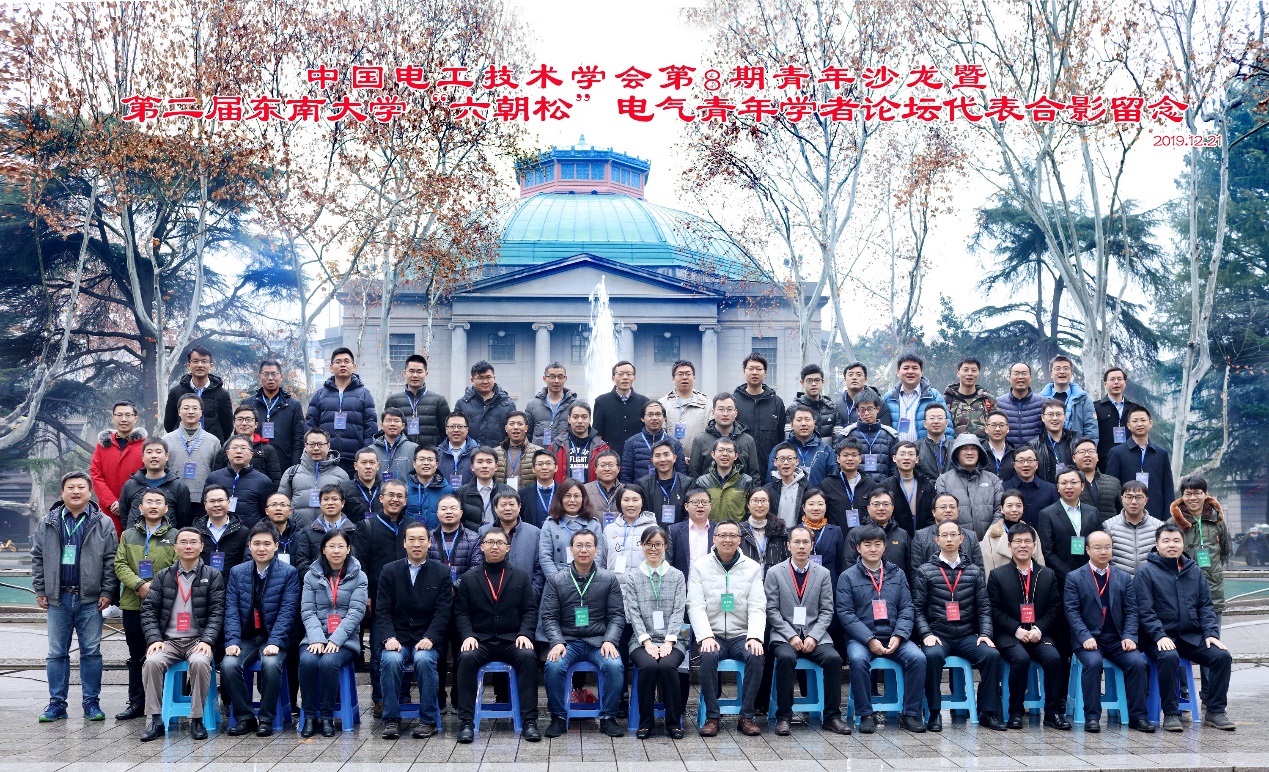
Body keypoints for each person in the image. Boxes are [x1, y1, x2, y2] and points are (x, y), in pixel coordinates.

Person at [33, 472, 119, 723]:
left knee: (91, 652)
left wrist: (107, 591)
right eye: (70, 487)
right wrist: (41, 589)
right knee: (56, 653)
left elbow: (111, 559)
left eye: (81, 487)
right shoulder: (48, 521)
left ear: (89, 492)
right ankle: (56, 704)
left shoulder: (102, 522)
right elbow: (37, 556)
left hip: (89, 600)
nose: (76, 491)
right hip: (58, 598)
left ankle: (91, 703)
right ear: (62, 493)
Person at [1135, 523, 1235, 731]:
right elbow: (1145, 610)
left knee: (1222, 657)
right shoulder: (1146, 573)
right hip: (1157, 638)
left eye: (1176, 541)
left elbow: (1206, 606)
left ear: (1183, 544)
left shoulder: (1194, 571)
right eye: (1166, 541)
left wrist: (1210, 633)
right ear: (1157, 545)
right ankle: (1171, 714)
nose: (1171, 545)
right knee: (1169, 656)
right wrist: (1159, 635)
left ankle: (1215, 711)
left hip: (1190, 636)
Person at [911, 519, 1007, 731]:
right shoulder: (925, 571)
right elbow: (917, 609)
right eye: (944, 535)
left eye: (953, 535)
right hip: (938, 635)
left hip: (966, 635)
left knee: (991, 655)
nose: (949, 539)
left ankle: (988, 712)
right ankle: (934, 712)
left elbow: (984, 607)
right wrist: (926, 634)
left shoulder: (973, 571)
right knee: (931, 656)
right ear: (937, 540)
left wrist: (985, 634)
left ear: (961, 538)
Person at [453, 528, 543, 743]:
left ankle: (529, 720)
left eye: (500, 543)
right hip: (480, 639)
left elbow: (530, 610)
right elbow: (461, 612)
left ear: (508, 548)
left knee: (528, 656)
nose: (495, 546)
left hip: (511, 639)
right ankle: (466, 721)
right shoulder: (469, 578)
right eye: (490, 542)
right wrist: (468, 635)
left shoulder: (520, 576)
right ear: (482, 546)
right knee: (466, 657)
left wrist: (525, 633)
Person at [837, 523, 927, 734]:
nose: (873, 549)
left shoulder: (897, 574)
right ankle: (865, 714)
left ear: (884, 547)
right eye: (867, 544)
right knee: (858, 660)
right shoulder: (847, 577)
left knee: (918, 658)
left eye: (877, 544)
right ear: (858, 548)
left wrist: (900, 635)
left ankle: (911, 713)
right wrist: (869, 639)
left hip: (895, 636)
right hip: (861, 639)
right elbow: (846, 614)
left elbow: (907, 608)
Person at [1063, 530, 1156, 733]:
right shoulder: (1074, 577)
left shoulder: (1123, 577)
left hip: (1116, 638)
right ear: (1087, 549)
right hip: (1088, 639)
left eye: (1107, 547)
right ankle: (1092, 717)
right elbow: (1072, 612)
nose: (1103, 552)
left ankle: (1138, 717)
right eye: (1098, 547)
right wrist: (1085, 636)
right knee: (1093, 663)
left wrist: (1129, 636)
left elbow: (1131, 611)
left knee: (1137, 663)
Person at [137, 527, 225, 741]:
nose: (188, 546)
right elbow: (148, 610)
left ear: (201, 547)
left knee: (200, 662)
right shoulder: (163, 576)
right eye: (183, 542)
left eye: (193, 542)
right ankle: (155, 719)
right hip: (169, 641)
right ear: (175, 547)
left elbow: (218, 611)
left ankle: (197, 719)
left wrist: (207, 640)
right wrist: (154, 638)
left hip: (198, 641)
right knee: (151, 662)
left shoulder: (212, 575)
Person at [764, 525, 852, 736]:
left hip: (815, 635)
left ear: (812, 546)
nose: (801, 546)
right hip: (784, 635)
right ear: (788, 546)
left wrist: (814, 636)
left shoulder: (823, 573)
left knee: (834, 659)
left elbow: (827, 610)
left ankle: (832, 716)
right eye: (797, 542)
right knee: (786, 658)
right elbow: (771, 610)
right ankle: (784, 717)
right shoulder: (775, 572)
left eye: (805, 542)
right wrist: (791, 635)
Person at [540, 529, 627, 738]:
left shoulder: (608, 578)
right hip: (568, 641)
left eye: (589, 545)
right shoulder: (557, 579)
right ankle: (558, 717)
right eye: (579, 545)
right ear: (571, 550)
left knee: (614, 665)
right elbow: (549, 616)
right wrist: (557, 641)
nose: (584, 550)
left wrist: (610, 640)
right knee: (553, 666)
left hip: (598, 641)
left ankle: (608, 717)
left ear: (596, 550)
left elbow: (617, 615)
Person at [221, 521, 301, 737]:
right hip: (246, 638)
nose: (261, 548)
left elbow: (288, 612)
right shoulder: (237, 572)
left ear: (276, 546)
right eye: (256, 543)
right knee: (229, 664)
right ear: (249, 546)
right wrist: (232, 642)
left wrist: (275, 642)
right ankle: (245, 717)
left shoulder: (289, 573)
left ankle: (266, 718)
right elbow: (231, 610)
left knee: (271, 663)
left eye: (267, 543)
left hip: (274, 638)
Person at [986, 522, 1069, 730]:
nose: (1023, 546)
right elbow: (994, 610)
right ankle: (1015, 712)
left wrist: (1038, 629)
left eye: (1027, 541)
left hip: (1039, 634)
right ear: (1009, 545)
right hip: (1009, 635)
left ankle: (1052, 713)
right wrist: (1016, 629)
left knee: (1054, 658)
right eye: (1017, 542)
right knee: (1020, 659)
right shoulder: (998, 575)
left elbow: (1054, 608)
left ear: (1034, 545)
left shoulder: (1047, 574)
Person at [688, 520, 767, 736]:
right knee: (707, 655)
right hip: (713, 635)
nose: (727, 540)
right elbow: (695, 605)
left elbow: (757, 606)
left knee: (756, 655)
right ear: (714, 538)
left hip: (742, 635)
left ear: (739, 540)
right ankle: (712, 716)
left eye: (733, 535)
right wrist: (705, 636)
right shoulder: (700, 566)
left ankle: (747, 716)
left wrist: (754, 637)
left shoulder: (752, 567)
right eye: (722, 535)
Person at [376, 521, 452, 740]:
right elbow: (383, 610)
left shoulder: (441, 572)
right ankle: (391, 719)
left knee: (424, 660)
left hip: (426, 638)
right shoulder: (389, 571)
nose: (416, 544)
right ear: (404, 543)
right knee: (390, 660)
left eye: (421, 539)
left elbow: (443, 611)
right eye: (411, 539)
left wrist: (431, 637)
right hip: (397, 637)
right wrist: (388, 637)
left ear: (429, 543)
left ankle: (428, 720)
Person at [113, 490, 179, 721]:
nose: (153, 506)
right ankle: (137, 702)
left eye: (158, 502)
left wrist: (155, 588)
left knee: (164, 653)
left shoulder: (175, 535)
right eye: (148, 502)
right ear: (140, 508)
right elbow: (120, 564)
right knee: (136, 655)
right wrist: (139, 584)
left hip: (165, 605)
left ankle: (164, 701)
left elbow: (179, 565)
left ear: (166, 508)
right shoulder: (128, 535)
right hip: (133, 603)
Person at [297, 528, 367, 737]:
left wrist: (335, 640)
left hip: (345, 640)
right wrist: (317, 638)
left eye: (341, 546)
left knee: (329, 662)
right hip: (314, 637)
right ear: (323, 549)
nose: (336, 551)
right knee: (307, 661)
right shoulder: (311, 575)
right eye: (331, 546)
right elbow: (307, 611)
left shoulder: (359, 576)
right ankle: (310, 716)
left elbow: (356, 612)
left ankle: (327, 716)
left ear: (348, 549)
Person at [623, 526, 688, 738]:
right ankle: (645, 722)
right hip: (641, 640)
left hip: (673, 640)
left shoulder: (677, 576)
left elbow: (679, 610)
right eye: (649, 544)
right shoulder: (633, 577)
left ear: (665, 546)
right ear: (642, 546)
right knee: (649, 666)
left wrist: (669, 642)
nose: (653, 549)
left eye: (658, 544)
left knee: (668, 666)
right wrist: (647, 642)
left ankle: (673, 723)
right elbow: (633, 612)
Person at [356, 478, 414, 716]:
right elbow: (360, 564)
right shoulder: (367, 527)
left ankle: (403, 696)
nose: (395, 500)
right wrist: (366, 596)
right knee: (380, 652)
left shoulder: (412, 527)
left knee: (405, 647)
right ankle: (380, 698)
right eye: (390, 495)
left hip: (409, 601)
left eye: (400, 496)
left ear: (405, 501)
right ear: (381, 498)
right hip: (379, 601)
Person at [305, 347, 377, 476]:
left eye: (346, 361)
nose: (342, 365)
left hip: (354, 459)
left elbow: (370, 427)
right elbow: (310, 425)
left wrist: (364, 454)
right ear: (331, 367)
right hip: (325, 459)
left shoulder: (364, 394)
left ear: (353, 366)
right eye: (338, 362)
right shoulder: (320, 395)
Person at [1171, 475, 1232, 628]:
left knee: (1213, 633)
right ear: (1182, 496)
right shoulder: (1173, 523)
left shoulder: (1217, 520)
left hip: (1213, 586)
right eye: (1188, 494)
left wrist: (1212, 570)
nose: (1193, 498)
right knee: (1187, 634)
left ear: (1206, 494)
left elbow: (1224, 551)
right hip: (1183, 586)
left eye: (1197, 493)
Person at [1106, 405, 1175, 517]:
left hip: (1155, 515)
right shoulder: (1117, 453)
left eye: (1143, 420)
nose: (1139, 424)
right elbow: (1111, 488)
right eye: (1135, 421)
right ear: (1128, 425)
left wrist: (1167, 517)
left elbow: (1168, 488)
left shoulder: (1161, 453)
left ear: (1150, 423)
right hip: (1125, 515)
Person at [162, 394, 223, 520]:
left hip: (203, 500)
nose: (190, 412)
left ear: (201, 412)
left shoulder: (213, 441)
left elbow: (216, 473)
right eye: (186, 408)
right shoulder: (166, 440)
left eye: (195, 408)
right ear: (179, 412)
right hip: (172, 499)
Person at [90, 400, 147, 534]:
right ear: (113, 418)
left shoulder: (145, 446)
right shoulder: (102, 446)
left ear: (136, 418)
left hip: (136, 508)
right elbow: (96, 475)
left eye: (128, 415)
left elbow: (148, 477)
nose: (124, 419)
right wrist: (111, 502)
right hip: (108, 509)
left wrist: (124, 502)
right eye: (119, 415)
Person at [1035, 469, 1100, 582]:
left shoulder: (1092, 512)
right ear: (1058, 487)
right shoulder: (1047, 514)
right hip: (1061, 578)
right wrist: (1069, 575)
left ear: (1082, 486)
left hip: (1091, 575)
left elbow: (1098, 543)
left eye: (1073, 482)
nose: (1069, 487)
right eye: (1064, 483)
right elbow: (1047, 552)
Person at [935, 434, 1003, 540]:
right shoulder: (944, 481)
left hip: (990, 541)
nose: (970, 453)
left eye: (974, 449)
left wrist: (991, 534)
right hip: (956, 543)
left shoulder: (993, 479)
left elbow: (1000, 509)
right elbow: (942, 513)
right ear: (957, 453)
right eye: (965, 449)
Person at [479, 487, 545, 597]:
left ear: (519, 506)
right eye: (503, 505)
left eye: (511, 504)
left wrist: (532, 594)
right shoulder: (484, 531)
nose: (508, 508)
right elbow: (479, 563)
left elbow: (539, 569)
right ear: (495, 508)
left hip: (525, 595)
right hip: (490, 595)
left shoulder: (535, 533)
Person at [279, 428, 350, 526]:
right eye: (311, 444)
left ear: (328, 445)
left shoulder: (341, 475)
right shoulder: (292, 473)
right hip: (298, 532)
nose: (316, 448)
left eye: (320, 444)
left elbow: (347, 508)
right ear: (305, 446)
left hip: (331, 532)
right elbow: (281, 504)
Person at [163, 345, 235, 442]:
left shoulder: (222, 394)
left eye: (204, 361)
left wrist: (216, 442)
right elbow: (169, 423)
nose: (200, 365)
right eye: (195, 361)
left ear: (211, 366)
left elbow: (227, 426)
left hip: (211, 446)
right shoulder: (176, 392)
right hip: (182, 444)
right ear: (189, 365)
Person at [733, 352, 785, 482]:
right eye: (751, 368)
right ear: (744, 371)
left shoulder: (776, 402)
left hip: (770, 469)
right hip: (739, 470)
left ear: (765, 372)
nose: (755, 372)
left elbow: (781, 437)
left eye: (759, 369)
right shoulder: (734, 401)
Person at [119, 438, 193, 530]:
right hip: (135, 537)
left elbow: (184, 520)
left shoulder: (179, 487)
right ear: (143, 457)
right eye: (149, 452)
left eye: (158, 452)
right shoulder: (130, 485)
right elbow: (124, 516)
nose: (154, 456)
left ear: (166, 456)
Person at [247, 359, 307, 471]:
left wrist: (294, 467)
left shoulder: (293, 405)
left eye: (274, 374)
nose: (270, 378)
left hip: (283, 462)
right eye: (266, 374)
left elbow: (298, 439)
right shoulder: (249, 403)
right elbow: (240, 435)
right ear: (259, 377)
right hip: (254, 462)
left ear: (281, 376)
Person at [205, 435, 275, 529]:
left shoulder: (263, 481)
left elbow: (266, 514)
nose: (238, 451)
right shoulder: (214, 478)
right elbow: (204, 509)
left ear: (251, 454)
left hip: (250, 533)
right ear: (227, 453)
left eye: (243, 448)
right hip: (218, 531)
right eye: (234, 448)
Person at [540, 478, 606, 576]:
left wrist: (588, 578)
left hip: (588, 578)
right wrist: (556, 580)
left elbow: (598, 555)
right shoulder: (550, 524)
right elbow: (545, 557)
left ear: (583, 498)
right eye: (567, 496)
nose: (572, 500)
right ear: (560, 498)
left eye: (576, 496)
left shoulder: (594, 524)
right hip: (558, 578)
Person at [909, 494, 986, 578]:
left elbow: (980, 571)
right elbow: (916, 572)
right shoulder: (921, 536)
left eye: (952, 507)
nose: (948, 510)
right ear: (933, 512)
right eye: (943, 507)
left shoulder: (971, 536)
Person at [383, 354, 450, 449]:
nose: (415, 375)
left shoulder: (438, 400)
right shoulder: (393, 400)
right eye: (411, 371)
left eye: (419, 372)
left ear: (426, 374)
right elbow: (387, 430)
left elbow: (446, 431)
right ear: (404, 373)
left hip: (430, 453)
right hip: (402, 452)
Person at [688, 393, 762, 479]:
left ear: (736, 413)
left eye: (729, 409)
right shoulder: (700, 441)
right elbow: (694, 475)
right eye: (721, 409)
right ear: (713, 412)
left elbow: (754, 476)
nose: (725, 414)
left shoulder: (747, 441)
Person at [292, 484, 357, 578]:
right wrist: (321, 580)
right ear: (320, 503)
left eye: (334, 499)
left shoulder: (354, 530)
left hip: (348, 581)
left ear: (342, 503)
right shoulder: (308, 531)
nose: (330, 503)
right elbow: (302, 562)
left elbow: (359, 560)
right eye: (326, 499)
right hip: (317, 583)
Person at [209, 404, 284, 484]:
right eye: (240, 419)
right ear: (234, 423)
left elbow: (275, 480)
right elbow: (216, 478)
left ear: (256, 424)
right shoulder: (225, 449)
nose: (244, 423)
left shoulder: (267, 449)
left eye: (248, 419)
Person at [1103, 480, 1164, 576]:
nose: (1134, 502)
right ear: (1122, 499)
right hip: (1119, 581)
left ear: (1146, 500)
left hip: (1149, 581)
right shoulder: (1109, 526)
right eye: (1129, 497)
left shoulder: (1158, 527)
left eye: (1139, 497)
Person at [883, 354, 948, 442]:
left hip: (926, 449)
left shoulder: (934, 396)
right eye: (906, 368)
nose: (910, 371)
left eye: (915, 368)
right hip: (897, 449)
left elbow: (947, 427)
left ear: (921, 372)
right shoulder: (888, 398)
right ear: (898, 372)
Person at [454, 360, 519, 447]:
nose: (485, 381)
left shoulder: (507, 404)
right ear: (472, 380)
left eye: (488, 377)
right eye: (480, 378)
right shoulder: (462, 404)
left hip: (500, 453)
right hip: (470, 453)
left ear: (494, 378)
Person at [838, 393, 901, 482]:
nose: (866, 413)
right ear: (857, 411)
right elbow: (839, 464)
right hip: (855, 486)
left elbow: (895, 467)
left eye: (870, 409)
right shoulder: (847, 435)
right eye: (862, 410)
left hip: (883, 487)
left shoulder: (890, 436)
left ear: (877, 409)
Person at [621, 401, 688, 484]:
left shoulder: (674, 443)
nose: (654, 418)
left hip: (667, 489)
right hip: (640, 489)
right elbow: (626, 475)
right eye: (650, 415)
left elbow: (681, 474)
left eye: (658, 414)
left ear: (664, 418)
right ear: (642, 418)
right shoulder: (631, 443)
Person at [843, 488, 911, 570]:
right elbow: (849, 566)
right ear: (868, 508)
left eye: (886, 504)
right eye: (876, 504)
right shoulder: (855, 534)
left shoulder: (903, 535)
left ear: (892, 508)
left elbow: (909, 568)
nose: (881, 508)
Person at [593, 360, 649, 457]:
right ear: (613, 378)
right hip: (610, 457)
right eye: (620, 374)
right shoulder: (601, 402)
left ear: (634, 378)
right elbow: (597, 433)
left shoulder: (644, 402)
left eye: (629, 374)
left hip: (638, 455)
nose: (625, 377)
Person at [768, 406, 835, 487]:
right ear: (791, 424)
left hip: (817, 494)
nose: (803, 424)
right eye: (799, 420)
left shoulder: (825, 450)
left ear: (814, 423)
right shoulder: (780, 450)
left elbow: (833, 481)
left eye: (807, 419)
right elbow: (771, 480)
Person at [980, 491, 1047, 572]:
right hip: (1001, 579)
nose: (1014, 509)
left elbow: (1039, 561)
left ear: (1023, 508)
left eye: (1018, 506)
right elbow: (987, 565)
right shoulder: (992, 534)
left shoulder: (1031, 532)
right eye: (1009, 506)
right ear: (1002, 509)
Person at [658, 359, 711, 461]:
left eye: (688, 374)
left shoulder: (707, 403)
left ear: (694, 378)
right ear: (673, 379)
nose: (684, 377)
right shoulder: (663, 403)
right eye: (680, 374)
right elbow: (660, 434)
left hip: (700, 460)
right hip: (670, 461)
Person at [695, 437, 755, 522]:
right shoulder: (702, 482)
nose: (725, 454)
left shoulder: (746, 481)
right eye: (720, 450)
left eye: (730, 451)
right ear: (713, 454)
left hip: (737, 529)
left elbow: (751, 511)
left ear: (736, 456)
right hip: (709, 529)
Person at [821, 439, 877, 530]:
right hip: (837, 536)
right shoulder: (827, 485)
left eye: (854, 455)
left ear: (860, 459)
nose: (850, 458)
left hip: (864, 536)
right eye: (845, 455)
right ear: (838, 458)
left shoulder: (870, 485)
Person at [194, 484, 250, 576]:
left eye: (220, 500)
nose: (216, 505)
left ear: (228, 503)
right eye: (212, 501)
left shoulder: (243, 532)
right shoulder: (195, 531)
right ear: (205, 505)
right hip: (202, 582)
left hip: (232, 582)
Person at [1038, 355, 1098, 440]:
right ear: (1051, 373)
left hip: (1077, 447)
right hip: (1047, 447)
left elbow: (1091, 430)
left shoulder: (1083, 400)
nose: (1062, 372)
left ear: (1072, 373)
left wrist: (1086, 447)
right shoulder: (1040, 400)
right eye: (1058, 368)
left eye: (1066, 368)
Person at [1093, 367, 1142, 472]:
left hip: (1131, 459)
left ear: (1125, 383)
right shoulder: (1096, 407)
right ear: (1105, 384)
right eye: (1112, 379)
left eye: (1119, 379)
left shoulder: (1134, 408)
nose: (1116, 382)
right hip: (1105, 461)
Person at [884, 441, 936, 537]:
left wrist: (924, 535)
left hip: (924, 537)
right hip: (896, 537)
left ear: (917, 459)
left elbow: (932, 514)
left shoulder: (927, 485)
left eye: (911, 454)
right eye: (902, 454)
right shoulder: (886, 486)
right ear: (894, 458)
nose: (906, 458)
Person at [430, 494, 485, 585]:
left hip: (463, 590)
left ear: (461, 513)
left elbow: (477, 567)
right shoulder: (428, 537)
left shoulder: (474, 538)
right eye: (443, 509)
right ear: (437, 513)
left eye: (453, 508)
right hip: (434, 589)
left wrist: (456, 586)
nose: (448, 512)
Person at [638, 439, 694, 527]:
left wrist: (677, 532)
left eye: (666, 454)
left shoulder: (687, 483)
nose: (662, 459)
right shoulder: (644, 484)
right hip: (651, 533)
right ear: (652, 460)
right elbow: (642, 513)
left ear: (674, 458)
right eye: (657, 456)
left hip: (679, 533)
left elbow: (690, 514)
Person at [552, 401, 611, 484]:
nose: (580, 421)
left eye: (584, 417)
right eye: (575, 417)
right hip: (564, 491)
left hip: (591, 491)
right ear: (569, 419)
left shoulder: (601, 447)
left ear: (590, 419)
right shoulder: (557, 445)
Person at [798, 488, 847, 588]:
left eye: (820, 504)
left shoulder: (835, 531)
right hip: (801, 584)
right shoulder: (794, 532)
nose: (816, 508)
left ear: (825, 507)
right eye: (811, 504)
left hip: (829, 585)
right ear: (803, 507)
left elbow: (840, 564)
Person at [525, 362, 579, 448]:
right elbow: (527, 434)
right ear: (544, 378)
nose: (556, 381)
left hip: (565, 454)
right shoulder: (533, 405)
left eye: (560, 377)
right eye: (552, 377)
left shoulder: (575, 405)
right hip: (540, 454)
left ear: (565, 379)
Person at [605, 486, 656, 574]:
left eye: (635, 500)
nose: (630, 504)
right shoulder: (609, 530)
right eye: (626, 500)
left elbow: (659, 561)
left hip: (643, 581)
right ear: (619, 502)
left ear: (642, 502)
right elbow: (602, 562)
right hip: (615, 582)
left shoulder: (653, 529)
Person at [739, 487, 790, 574]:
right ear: (748, 505)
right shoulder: (739, 530)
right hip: (747, 578)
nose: (759, 505)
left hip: (774, 579)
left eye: (763, 501)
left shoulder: (780, 529)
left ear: (769, 504)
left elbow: (787, 559)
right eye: (755, 501)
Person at [944, 357, 997, 437]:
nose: (970, 373)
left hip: (982, 444)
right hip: (955, 444)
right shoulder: (946, 399)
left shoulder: (988, 400)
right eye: (965, 370)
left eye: (974, 370)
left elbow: (996, 425)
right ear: (958, 373)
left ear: (979, 374)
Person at [997, 363, 1046, 448]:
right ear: (1009, 378)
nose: (1020, 377)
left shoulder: (1043, 403)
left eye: (1024, 373)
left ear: (1030, 377)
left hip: (1035, 453)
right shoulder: (998, 404)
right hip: (1008, 453)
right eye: (1016, 373)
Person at [669, 487, 716, 576]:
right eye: (695, 502)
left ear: (710, 506)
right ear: (686, 506)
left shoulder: (718, 530)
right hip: (684, 583)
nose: (700, 505)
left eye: (705, 502)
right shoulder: (674, 531)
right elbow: (668, 563)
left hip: (711, 583)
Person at [784, 364, 840, 439]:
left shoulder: (832, 408)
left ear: (823, 382)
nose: (813, 384)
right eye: (809, 381)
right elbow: (789, 438)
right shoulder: (793, 408)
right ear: (802, 383)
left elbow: (838, 437)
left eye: (817, 380)